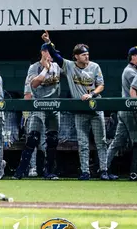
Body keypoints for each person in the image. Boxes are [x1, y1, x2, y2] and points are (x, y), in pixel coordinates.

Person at [42, 31, 111, 180]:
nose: (87, 56)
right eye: (84, 54)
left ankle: (104, 170)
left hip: (95, 108)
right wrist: (49, 42)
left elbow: (101, 86)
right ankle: (85, 172)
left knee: (101, 142)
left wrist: (92, 94)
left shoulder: (95, 66)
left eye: (87, 54)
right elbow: (56, 57)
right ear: (76, 56)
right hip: (79, 111)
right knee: (83, 143)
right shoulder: (70, 66)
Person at [14, 42, 62, 180]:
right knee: (33, 138)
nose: (52, 55)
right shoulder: (34, 68)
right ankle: (20, 171)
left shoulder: (57, 67)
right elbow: (34, 84)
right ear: (43, 52)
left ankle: (49, 172)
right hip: (38, 107)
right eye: (49, 52)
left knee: (52, 140)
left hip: (53, 108)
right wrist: (46, 69)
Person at [106, 46, 137, 180]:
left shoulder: (131, 70)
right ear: (133, 57)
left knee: (117, 143)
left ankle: (103, 168)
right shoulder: (131, 71)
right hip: (129, 110)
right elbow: (133, 91)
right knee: (136, 141)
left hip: (124, 111)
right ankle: (134, 172)